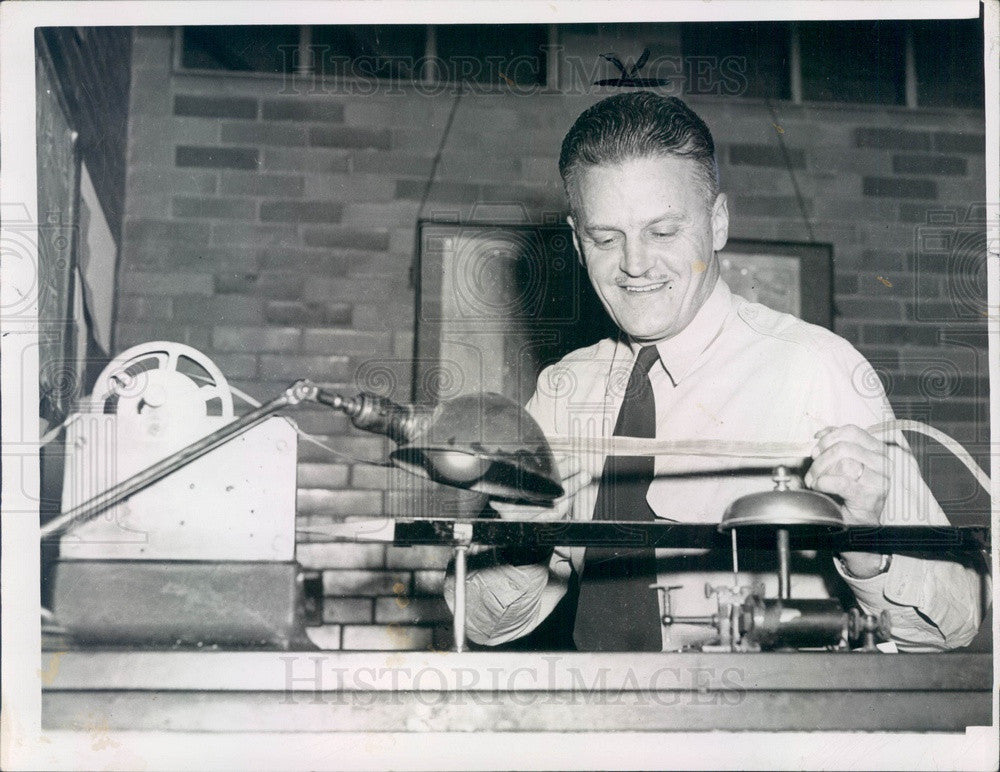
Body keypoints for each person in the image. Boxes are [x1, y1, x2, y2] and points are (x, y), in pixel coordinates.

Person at [444, 91, 985, 652]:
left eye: (663, 232)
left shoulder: (818, 370)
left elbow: (954, 626)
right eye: (605, 238)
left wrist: (865, 544)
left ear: (718, 222)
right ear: (579, 242)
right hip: (603, 727)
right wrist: (526, 540)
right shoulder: (562, 391)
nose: (634, 264)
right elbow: (481, 625)